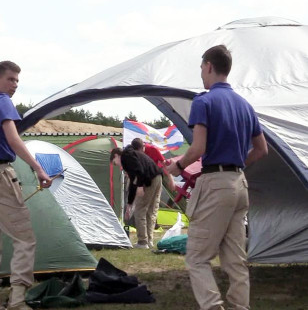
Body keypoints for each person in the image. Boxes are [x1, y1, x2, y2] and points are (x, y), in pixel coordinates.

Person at [166, 45, 268, 310]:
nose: (201, 73)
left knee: (197, 258)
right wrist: (235, 164)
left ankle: (213, 307)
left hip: (215, 185)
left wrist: (178, 166)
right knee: (235, 260)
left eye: (201, 67)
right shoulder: (245, 105)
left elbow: (198, 148)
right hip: (239, 183)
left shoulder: (204, 101)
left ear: (209, 65)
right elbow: (262, 149)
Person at [0, 61, 52, 310]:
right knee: (24, 238)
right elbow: (13, 137)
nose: (15, 85)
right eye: (10, 79)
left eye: (17, 80)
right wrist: (37, 167)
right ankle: (17, 300)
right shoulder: (2, 101)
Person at [110, 146, 163, 249]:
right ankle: (149, 241)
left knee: (140, 210)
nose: (118, 166)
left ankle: (142, 242)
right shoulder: (131, 156)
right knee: (150, 211)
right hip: (158, 177)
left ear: (116, 156)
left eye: (115, 163)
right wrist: (129, 203)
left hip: (149, 179)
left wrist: (140, 186)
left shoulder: (126, 157)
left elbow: (140, 171)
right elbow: (133, 183)